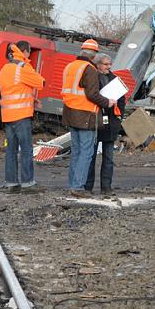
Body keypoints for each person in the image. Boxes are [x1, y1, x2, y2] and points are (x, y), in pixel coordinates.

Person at [61, 39, 114, 197]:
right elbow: (92, 94)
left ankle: (73, 184)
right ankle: (78, 187)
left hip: (70, 114)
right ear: (94, 56)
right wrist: (107, 102)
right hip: (85, 115)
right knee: (86, 152)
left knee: (76, 152)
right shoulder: (89, 69)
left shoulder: (70, 66)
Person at [0, 41, 45, 193]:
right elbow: (40, 82)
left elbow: (10, 89)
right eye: (29, 53)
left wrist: (31, 99)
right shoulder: (23, 67)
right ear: (24, 51)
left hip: (7, 115)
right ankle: (27, 183)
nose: (29, 56)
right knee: (26, 149)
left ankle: (11, 183)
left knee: (11, 150)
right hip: (21, 115)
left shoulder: (5, 68)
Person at [85, 53, 125, 196]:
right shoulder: (92, 78)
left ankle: (106, 187)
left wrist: (119, 118)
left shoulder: (115, 80)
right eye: (106, 64)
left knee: (108, 158)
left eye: (109, 64)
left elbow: (121, 102)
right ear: (98, 64)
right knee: (91, 156)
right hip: (95, 122)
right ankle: (87, 187)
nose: (109, 67)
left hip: (111, 124)